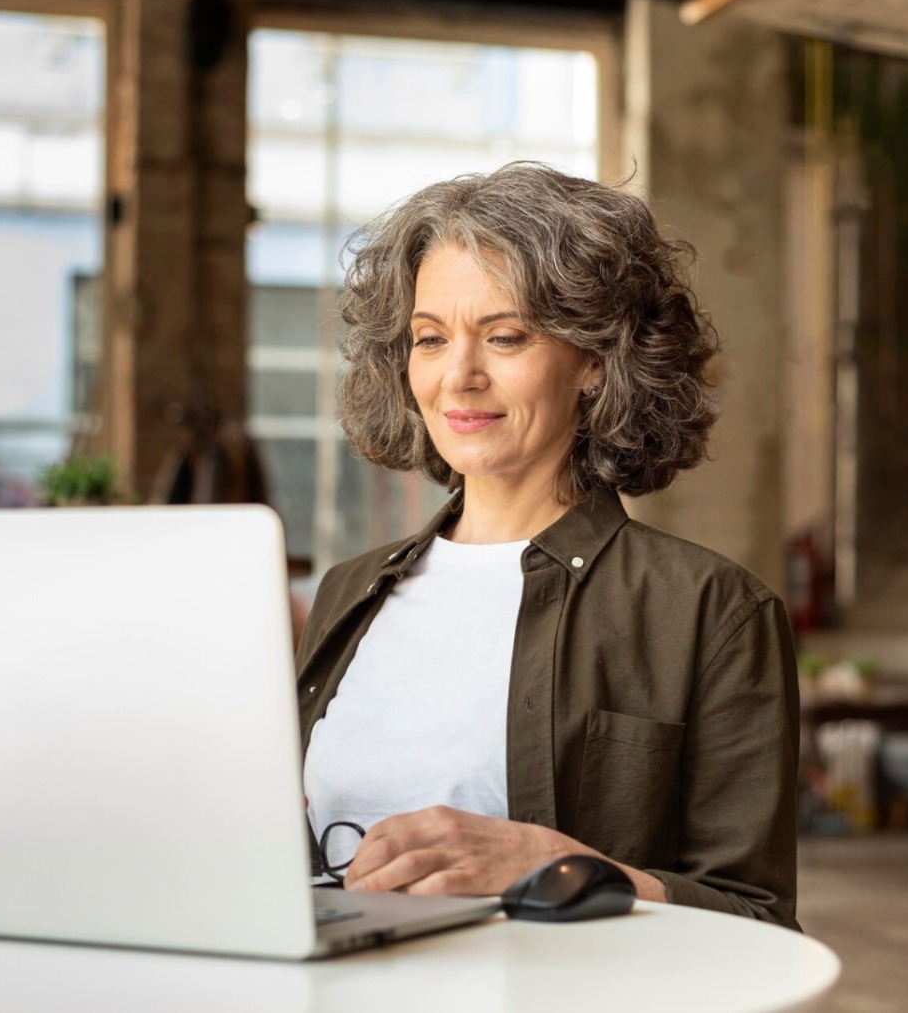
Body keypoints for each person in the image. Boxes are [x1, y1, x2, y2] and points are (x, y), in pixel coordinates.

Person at [296, 162, 799, 929]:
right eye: (430, 339)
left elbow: (755, 916)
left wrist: (556, 867)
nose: (458, 376)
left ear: (595, 361)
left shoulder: (709, 611)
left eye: (504, 336)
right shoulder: (348, 592)